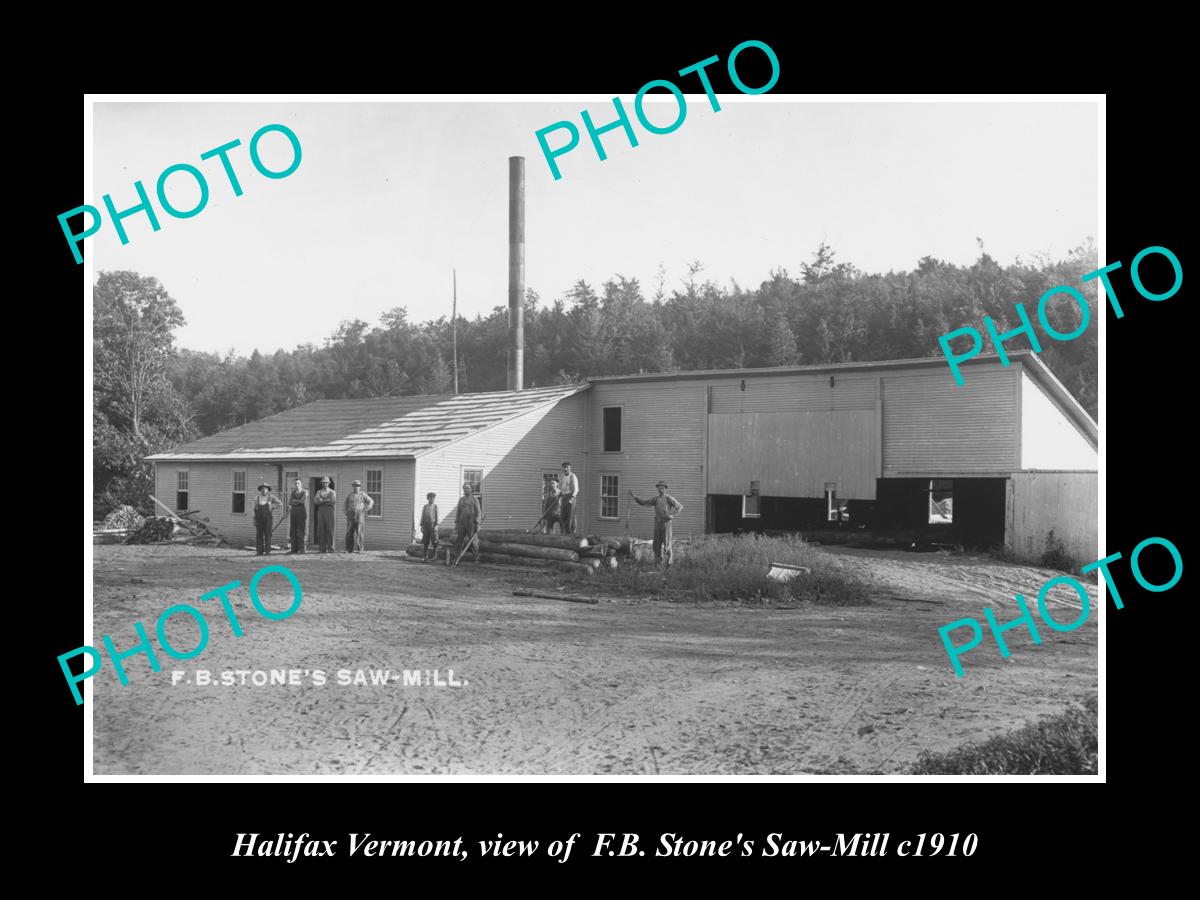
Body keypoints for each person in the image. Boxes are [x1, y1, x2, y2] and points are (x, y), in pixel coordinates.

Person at [630, 480, 684, 567]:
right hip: (657, 523)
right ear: (657, 489)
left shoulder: (669, 498)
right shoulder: (655, 499)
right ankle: (658, 563)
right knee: (656, 544)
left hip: (666, 524)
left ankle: (669, 564)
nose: (661, 490)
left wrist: (672, 515)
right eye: (659, 488)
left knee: (667, 544)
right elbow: (644, 502)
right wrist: (635, 497)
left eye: (662, 488)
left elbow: (680, 507)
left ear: (665, 489)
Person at [452, 483, 482, 563]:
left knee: (473, 540)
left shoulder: (474, 499)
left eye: (468, 488)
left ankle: (476, 558)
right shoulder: (461, 500)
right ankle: (457, 557)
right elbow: (458, 512)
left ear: (471, 489)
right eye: (465, 488)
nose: (466, 490)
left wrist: (478, 524)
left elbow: (478, 512)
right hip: (462, 522)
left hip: (471, 522)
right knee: (459, 540)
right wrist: (456, 523)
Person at [344, 479, 375, 553]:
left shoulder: (363, 494)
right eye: (354, 486)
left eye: (358, 486)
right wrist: (346, 512)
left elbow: (371, 501)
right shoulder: (350, 495)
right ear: (352, 486)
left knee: (360, 532)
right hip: (351, 515)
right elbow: (345, 504)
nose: (356, 487)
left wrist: (366, 509)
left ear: (360, 487)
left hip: (360, 514)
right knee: (349, 532)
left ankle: (360, 549)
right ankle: (349, 549)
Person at [253, 482, 283, 556]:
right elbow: (253, 509)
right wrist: (254, 519)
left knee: (268, 534)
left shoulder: (271, 497)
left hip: (268, 519)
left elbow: (280, 503)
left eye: (265, 489)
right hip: (259, 519)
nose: (264, 490)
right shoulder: (256, 498)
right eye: (262, 489)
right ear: (260, 490)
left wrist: (272, 507)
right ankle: (259, 551)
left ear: (268, 490)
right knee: (259, 535)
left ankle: (268, 551)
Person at [314, 477, 336, 553]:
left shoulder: (332, 492)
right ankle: (322, 549)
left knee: (330, 529)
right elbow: (316, 501)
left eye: (326, 482)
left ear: (329, 483)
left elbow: (332, 502)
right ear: (321, 483)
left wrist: (322, 500)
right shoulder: (319, 492)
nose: (324, 484)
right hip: (321, 511)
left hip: (329, 512)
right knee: (321, 530)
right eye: (323, 482)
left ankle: (330, 548)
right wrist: (326, 500)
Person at [287, 478, 308, 554]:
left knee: (301, 530)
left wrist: (294, 501)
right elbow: (289, 502)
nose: (296, 485)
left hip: (301, 512)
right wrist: (296, 502)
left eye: (298, 483)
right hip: (293, 512)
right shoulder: (293, 492)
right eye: (295, 483)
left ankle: (302, 549)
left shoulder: (304, 492)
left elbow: (302, 501)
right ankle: (294, 549)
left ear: (301, 484)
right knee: (293, 530)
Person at [559, 461, 579, 535]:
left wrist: (572, 498)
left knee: (570, 516)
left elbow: (576, 489)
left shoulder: (573, 476)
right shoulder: (563, 477)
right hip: (564, 497)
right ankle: (564, 532)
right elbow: (562, 488)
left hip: (571, 497)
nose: (565, 469)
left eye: (567, 467)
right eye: (564, 467)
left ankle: (571, 533)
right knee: (563, 515)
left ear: (570, 468)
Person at [420, 492, 440, 561]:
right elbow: (423, 516)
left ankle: (435, 556)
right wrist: (422, 525)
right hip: (426, 525)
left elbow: (437, 517)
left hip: (433, 525)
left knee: (435, 541)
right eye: (430, 498)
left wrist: (436, 525)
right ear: (428, 498)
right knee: (425, 541)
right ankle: (425, 556)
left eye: (433, 498)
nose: (432, 499)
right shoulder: (425, 507)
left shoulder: (435, 506)